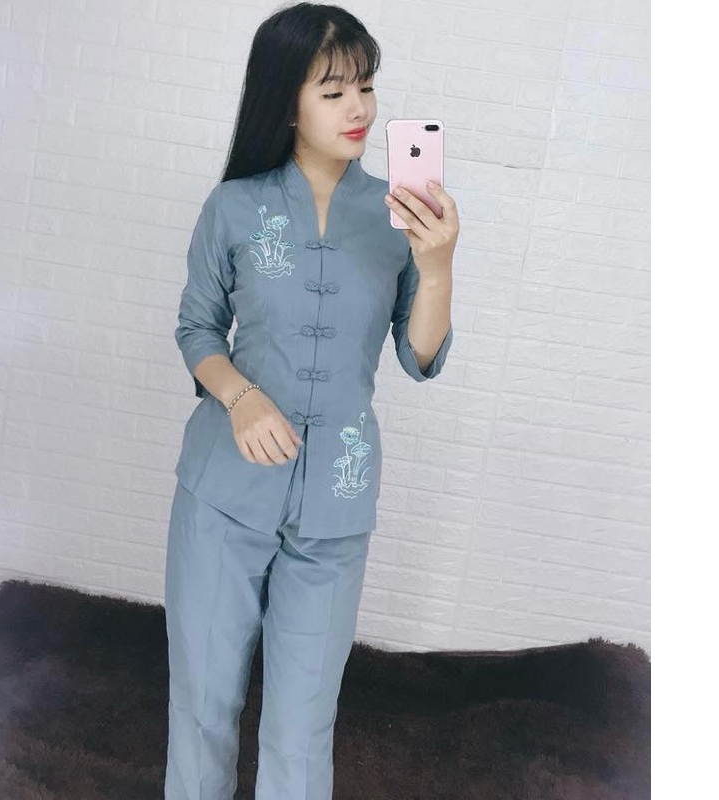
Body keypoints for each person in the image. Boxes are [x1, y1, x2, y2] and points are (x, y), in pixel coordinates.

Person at [164, 3, 459, 798]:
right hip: (223, 493)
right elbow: (197, 328)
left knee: (302, 725)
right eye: (333, 91)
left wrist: (437, 266)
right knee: (202, 704)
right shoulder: (234, 207)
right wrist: (240, 397)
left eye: (365, 86)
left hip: (338, 500)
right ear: (286, 102)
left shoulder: (399, 217)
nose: (359, 107)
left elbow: (421, 357)